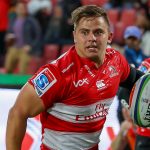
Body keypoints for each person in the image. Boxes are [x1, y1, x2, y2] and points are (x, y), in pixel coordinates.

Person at [6, 5, 144, 150]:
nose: (92, 38)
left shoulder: (116, 61)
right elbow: (17, 113)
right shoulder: (56, 74)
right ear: (74, 36)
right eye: (84, 32)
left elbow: (138, 80)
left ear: (109, 36)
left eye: (98, 32)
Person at [4, 1, 41, 74]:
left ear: (25, 9)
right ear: (16, 9)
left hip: (25, 48)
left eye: (22, 8)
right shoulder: (13, 19)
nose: (21, 9)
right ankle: (8, 85)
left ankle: (21, 85)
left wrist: (30, 46)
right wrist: (8, 37)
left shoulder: (31, 21)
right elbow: (9, 32)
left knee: (22, 70)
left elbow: (38, 36)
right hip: (14, 47)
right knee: (7, 68)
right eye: (19, 8)